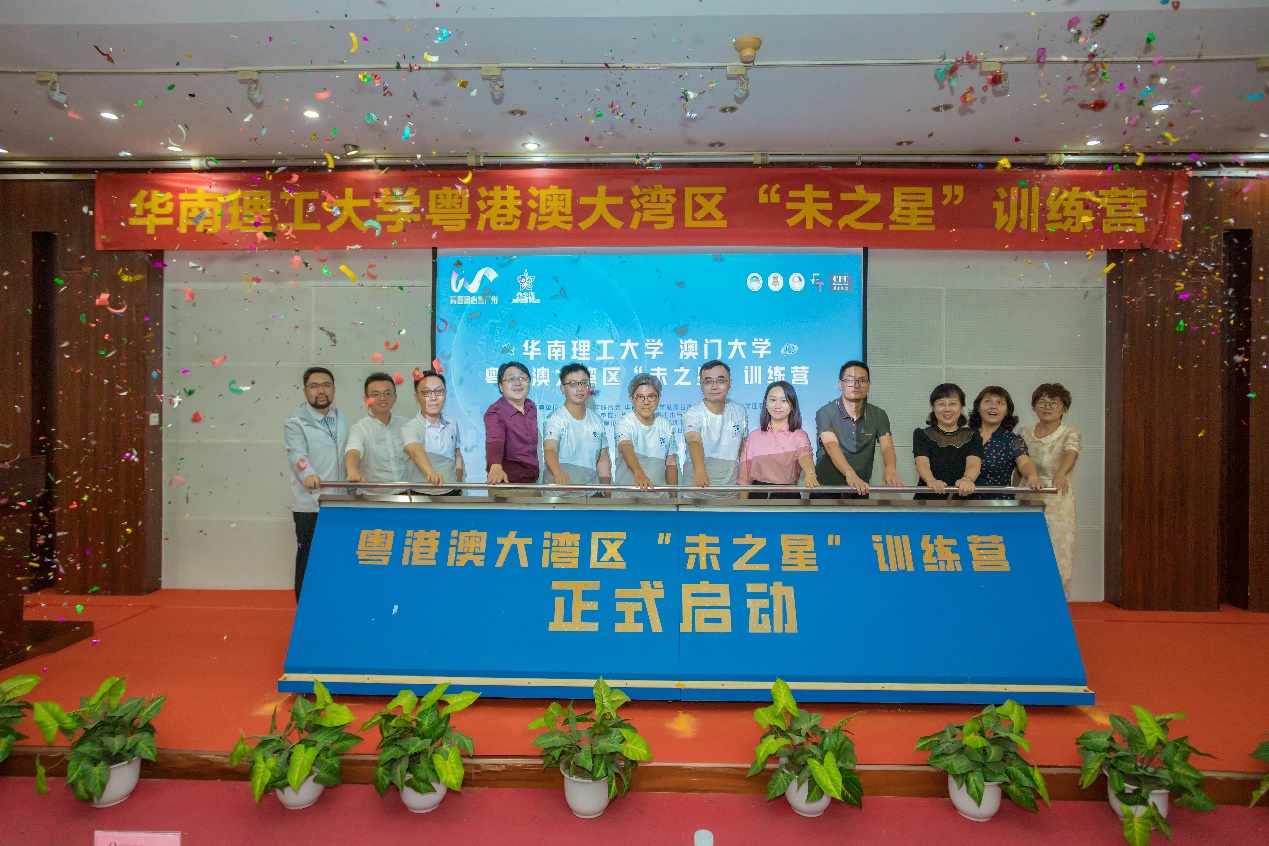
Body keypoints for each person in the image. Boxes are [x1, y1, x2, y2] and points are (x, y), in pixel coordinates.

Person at [283, 367, 347, 599]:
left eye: (326, 385)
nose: (321, 391)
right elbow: (297, 455)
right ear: (305, 391)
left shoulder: (339, 417)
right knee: (309, 560)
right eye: (314, 386)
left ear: (334, 389)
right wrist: (308, 475)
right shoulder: (296, 422)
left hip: (339, 504)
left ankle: (330, 605)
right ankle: (304, 608)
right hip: (310, 507)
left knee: (335, 560)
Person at [1018, 383, 1082, 597]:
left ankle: (1058, 604)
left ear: (1065, 408)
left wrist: (1061, 473)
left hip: (1058, 498)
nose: (1047, 407)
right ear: (1034, 406)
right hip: (1028, 496)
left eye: (1054, 403)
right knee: (1027, 550)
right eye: (1042, 402)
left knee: (1058, 551)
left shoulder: (1070, 433)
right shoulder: (1024, 432)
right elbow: (1018, 464)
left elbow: (1071, 454)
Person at [813, 360, 902, 498]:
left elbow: (887, 446)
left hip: (861, 488)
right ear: (840, 385)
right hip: (826, 489)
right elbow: (830, 444)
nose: (856, 385)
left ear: (869, 386)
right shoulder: (826, 412)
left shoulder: (878, 414)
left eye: (862, 380)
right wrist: (850, 474)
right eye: (850, 380)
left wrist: (890, 469)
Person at [739, 381, 820, 499]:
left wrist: (810, 473)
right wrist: (742, 506)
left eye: (784, 401)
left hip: (787, 496)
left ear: (792, 405)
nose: (777, 406)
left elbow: (805, 456)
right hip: (757, 496)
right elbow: (744, 477)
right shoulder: (754, 436)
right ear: (766, 403)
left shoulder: (799, 436)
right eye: (772, 400)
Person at [681, 360, 749, 497]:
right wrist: (700, 470)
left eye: (720, 381)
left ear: (730, 383)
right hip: (697, 494)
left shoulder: (739, 411)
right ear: (701, 385)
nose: (714, 386)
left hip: (730, 494)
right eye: (708, 382)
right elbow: (694, 440)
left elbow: (743, 450)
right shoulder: (693, 414)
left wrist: (745, 484)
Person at [542, 363, 612, 497]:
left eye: (584, 383)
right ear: (563, 389)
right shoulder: (556, 419)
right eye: (573, 384)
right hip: (559, 496)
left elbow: (602, 459)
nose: (580, 389)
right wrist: (558, 473)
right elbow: (550, 449)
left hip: (590, 494)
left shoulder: (597, 420)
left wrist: (607, 491)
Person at [912, 383, 983, 500]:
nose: (947, 409)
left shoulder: (973, 435)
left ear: (961, 407)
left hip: (962, 498)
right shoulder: (921, 434)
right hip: (928, 498)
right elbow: (922, 462)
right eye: (941, 404)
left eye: (953, 404)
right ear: (933, 407)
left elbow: (974, 463)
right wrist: (931, 480)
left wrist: (967, 479)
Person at [967, 386, 1040, 500]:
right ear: (978, 408)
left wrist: (1032, 477)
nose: (993, 406)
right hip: (963, 503)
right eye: (988, 401)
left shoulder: (1012, 440)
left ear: (1007, 411)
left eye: (1000, 403)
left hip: (999, 504)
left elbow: (1025, 462)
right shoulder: (964, 435)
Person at [344, 372, 412, 494]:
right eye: (376, 394)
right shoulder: (360, 428)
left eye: (387, 393)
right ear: (366, 399)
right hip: (371, 498)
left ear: (395, 397)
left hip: (405, 495)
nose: (382, 398)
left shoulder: (406, 425)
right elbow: (353, 450)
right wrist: (352, 470)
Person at [613, 374, 678, 498]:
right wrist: (639, 473)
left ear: (658, 398)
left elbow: (670, 463)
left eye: (651, 396)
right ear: (631, 399)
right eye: (640, 397)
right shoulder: (625, 423)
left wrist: (674, 499)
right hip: (627, 499)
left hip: (658, 500)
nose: (646, 402)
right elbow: (625, 446)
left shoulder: (665, 425)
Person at [401, 369, 463, 495]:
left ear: (445, 394)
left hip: (451, 493)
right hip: (421, 495)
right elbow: (416, 452)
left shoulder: (452, 423)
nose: (434, 398)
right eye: (426, 392)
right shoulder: (410, 428)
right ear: (416, 397)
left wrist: (459, 484)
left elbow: (457, 455)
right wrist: (432, 474)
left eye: (439, 391)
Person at [484, 361, 540, 490]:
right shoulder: (495, 412)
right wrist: (495, 465)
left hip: (532, 482)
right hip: (507, 484)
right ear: (500, 386)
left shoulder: (531, 406)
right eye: (511, 379)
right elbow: (495, 439)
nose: (517, 383)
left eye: (522, 378)